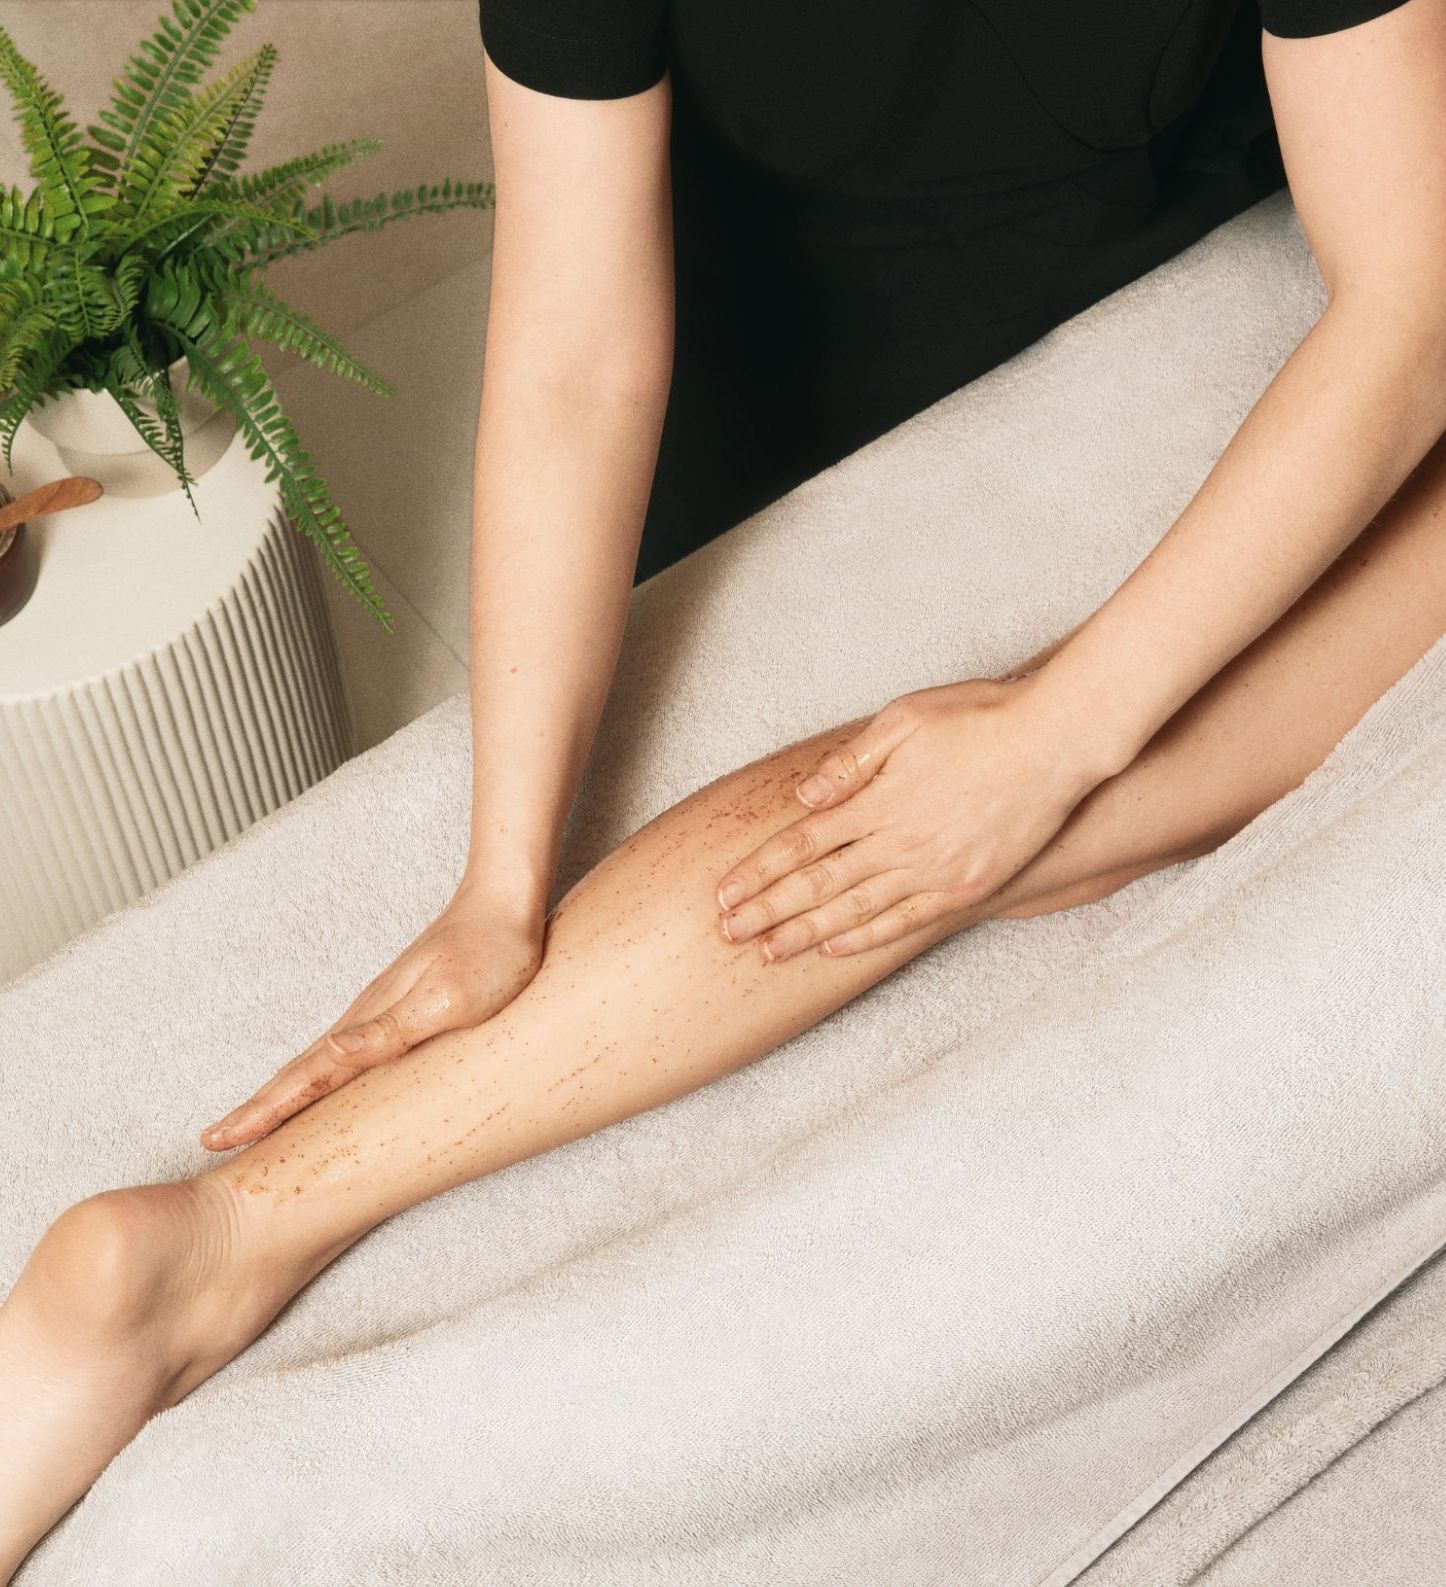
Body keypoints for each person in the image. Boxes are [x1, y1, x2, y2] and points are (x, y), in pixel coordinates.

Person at [2, 0, 1445, 1573]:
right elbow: (572, 360)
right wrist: (502, 879)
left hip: (1198, 234)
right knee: (988, 808)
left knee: (1050, 809)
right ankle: (218, 1242)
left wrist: (1057, 741)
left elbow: (1411, 306)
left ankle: (215, 1245)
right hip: (786, 346)